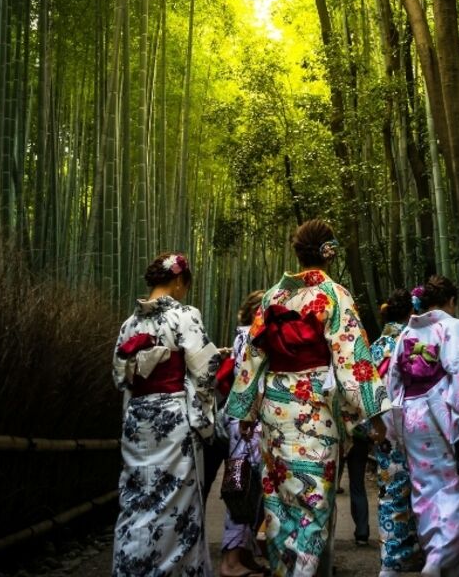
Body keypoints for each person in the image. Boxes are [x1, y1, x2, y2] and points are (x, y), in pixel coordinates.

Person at [226, 219, 389, 577]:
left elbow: (253, 357)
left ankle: (287, 571)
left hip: (275, 405)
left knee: (280, 500)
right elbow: (353, 359)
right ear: (329, 253)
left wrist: (245, 410)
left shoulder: (273, 296)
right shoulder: (333, 295)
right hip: (315, 405)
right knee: (313, 502)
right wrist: (374, 413)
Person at [112, 252, 217, 577]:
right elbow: (205, 372)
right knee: (175, 502)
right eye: (186, 284)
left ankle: (131, 566)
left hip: (138, 420)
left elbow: (120, 377)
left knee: (137, 496)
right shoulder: (185, 316)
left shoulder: (129, 324)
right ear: (177, 281)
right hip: (173, 420)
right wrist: (204, 421)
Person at [386, 275, 459, 577]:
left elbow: (393, 378)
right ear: (450, 301)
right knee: (455, 488)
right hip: (440, 414)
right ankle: (440, 559)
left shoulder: (408, 331)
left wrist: (392, 424)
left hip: (411, 414)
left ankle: (433, 551)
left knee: (423, 489)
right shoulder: (452, 326)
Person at [369, 289, 423, 577]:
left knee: (390, 490)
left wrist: (369, 425)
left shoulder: (376, 346)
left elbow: (366, 389)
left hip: (384, 426)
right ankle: (409, 554)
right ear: (411, 313)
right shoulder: (413, 341)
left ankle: (392, 556)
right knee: (422, 489)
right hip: (415, 423)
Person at [220, 290, 267, 577]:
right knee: (241, 487)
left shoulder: (242, 337)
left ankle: (244, 555)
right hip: (248, 421)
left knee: (251, 489)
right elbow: (253, 383)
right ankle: (231, 561)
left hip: (241, 419)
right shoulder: (252, 338)